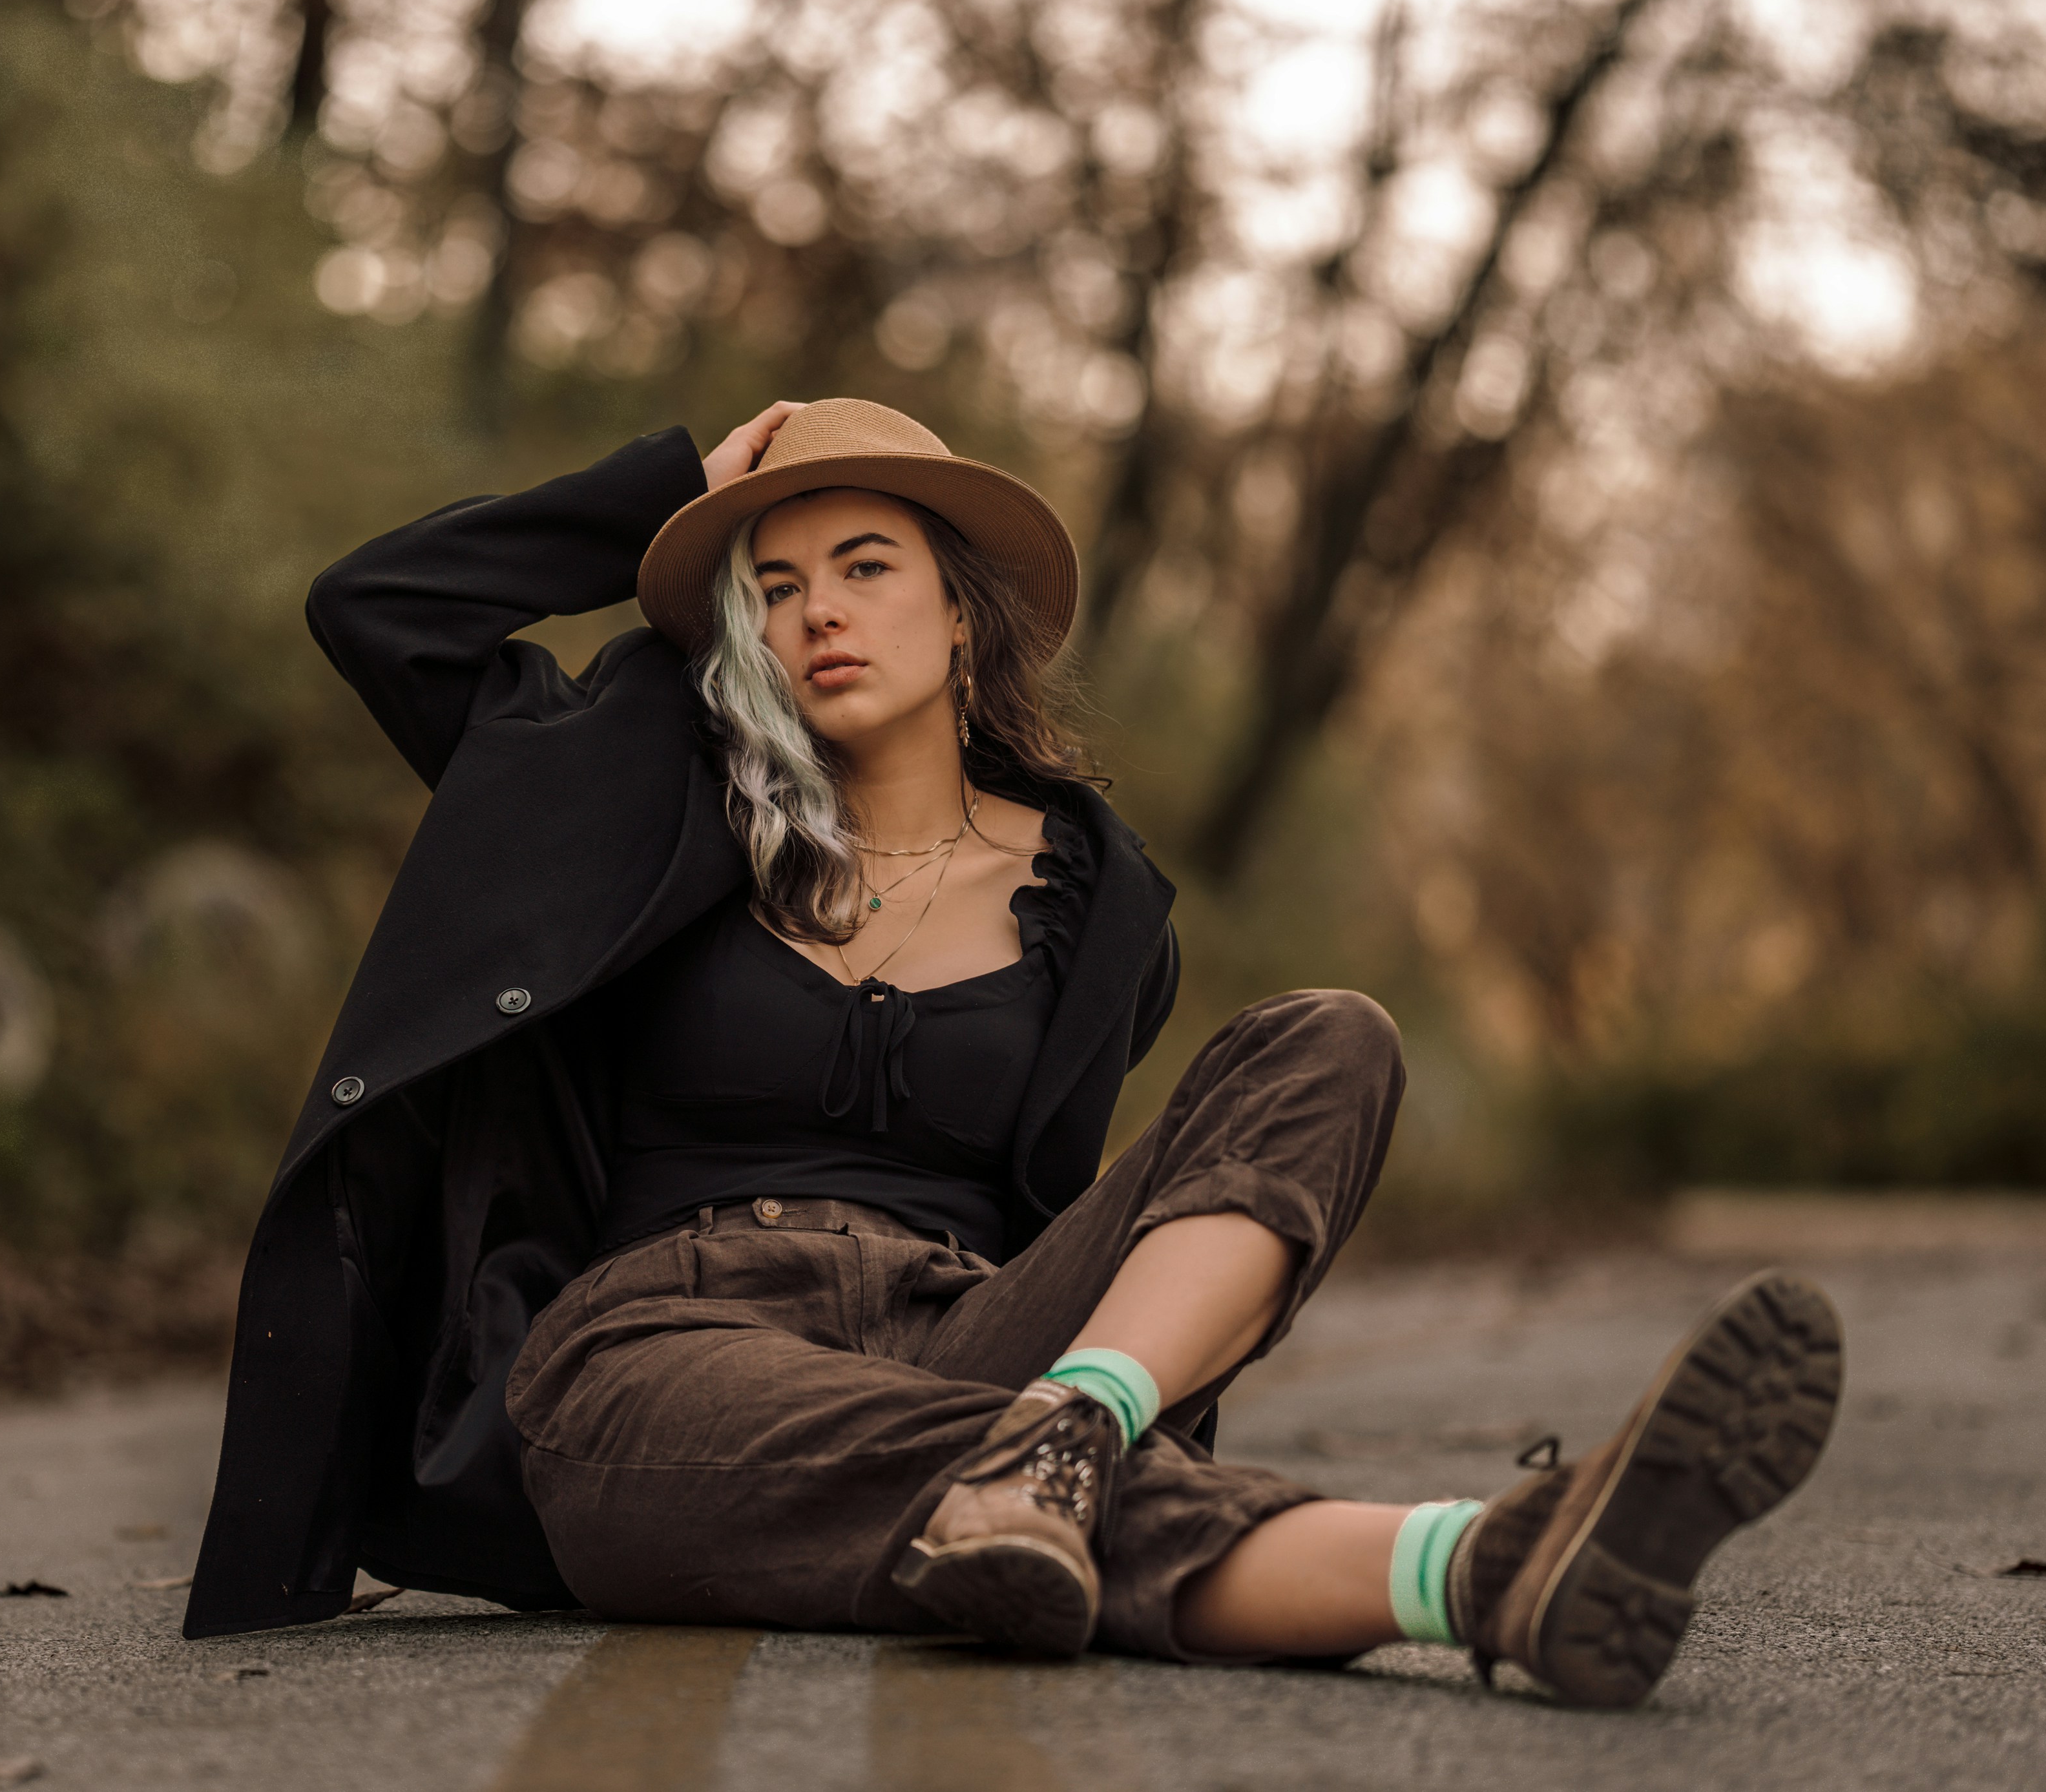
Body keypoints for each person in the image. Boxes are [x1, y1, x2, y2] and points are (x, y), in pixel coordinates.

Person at [181, 398, 1844, 1705]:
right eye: (772, 588)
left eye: (864, 566)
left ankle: (1078, 1431)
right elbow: (377, 609)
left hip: (976, 1334)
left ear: (963, 616)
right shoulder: (635, 811)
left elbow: (1113, 1182)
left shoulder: (1096, 904)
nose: (817, 613)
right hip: (663, 1356)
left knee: (1327, 1039)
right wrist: (673, 493)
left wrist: (1071, 1382)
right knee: (959, 1484)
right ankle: (1479, 1564)